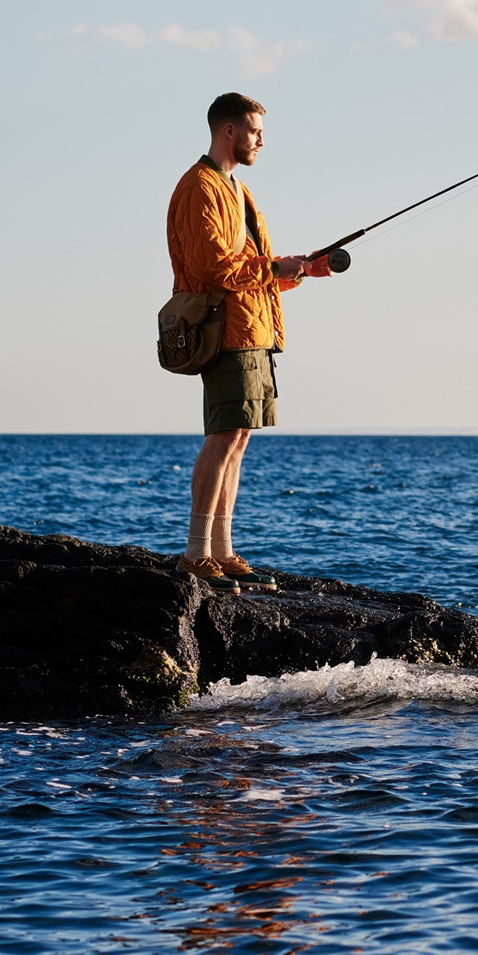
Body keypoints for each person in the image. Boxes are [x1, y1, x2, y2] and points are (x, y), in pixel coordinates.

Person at [166, 91, 333, 587]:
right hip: (224, 330)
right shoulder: (200, 187)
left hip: (252, 329)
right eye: (256, 131)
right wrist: (273, 267)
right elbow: (211, 266)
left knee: (237, 440)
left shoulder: (238, 190)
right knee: (221, 438)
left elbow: (248, 269)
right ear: (229, 131)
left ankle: (221, 550)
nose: (263, 140)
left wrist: (298, 271)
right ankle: (195, 554)